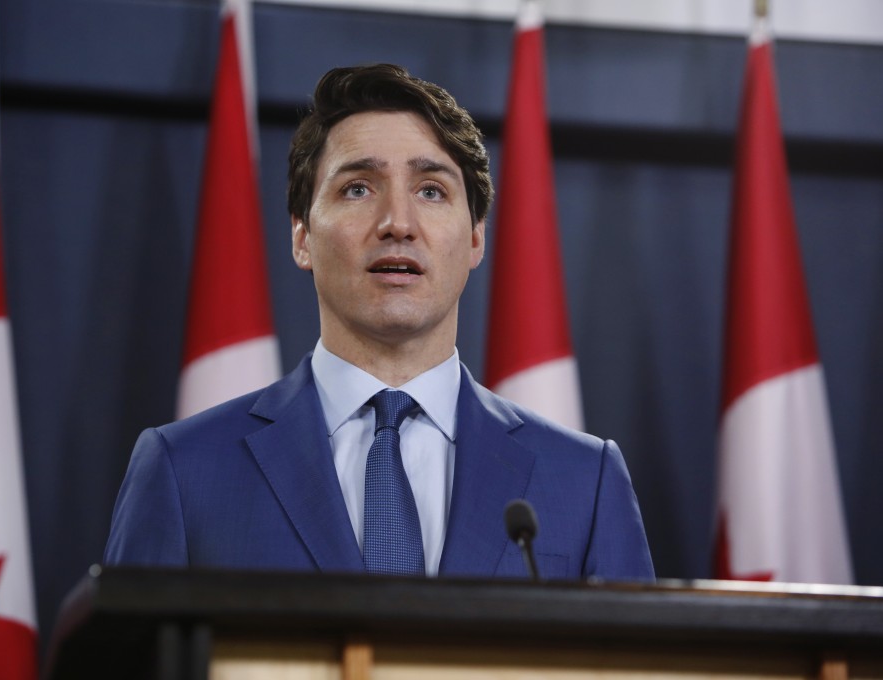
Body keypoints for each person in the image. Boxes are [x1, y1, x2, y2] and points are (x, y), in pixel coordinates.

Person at [104, 63, 654, 581]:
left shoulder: (586, 480)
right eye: (358, 188)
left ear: (475, 238)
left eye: (431, 190)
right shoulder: (183, 470)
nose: (397, 223)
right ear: (302, 236)